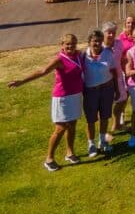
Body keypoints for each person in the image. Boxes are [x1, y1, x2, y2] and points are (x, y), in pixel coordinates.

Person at [8, 33, 86, 170]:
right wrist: (22, 82)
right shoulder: (59, 60)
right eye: (67, 44)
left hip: (75, 96)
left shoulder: (78, 55)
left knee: (72, 125)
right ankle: (49, 159)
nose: (70, 46)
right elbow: (42, 71)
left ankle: (70, 152)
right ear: (62, 45)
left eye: (73, 43)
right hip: (62, 98)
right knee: (61, 128)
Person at [81, 30, 118, 156]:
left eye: (99, 41)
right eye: (94, 41)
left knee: (105, 117)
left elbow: (114, 72)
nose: (97, 43)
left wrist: (117, 89)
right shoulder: (82, 56)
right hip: (90, 90)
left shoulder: (108, 53)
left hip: (107, 88)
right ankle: (91, 144)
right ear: (89, 42)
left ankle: (102, 142)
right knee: (90, 119)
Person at [100, 21, 128, 139]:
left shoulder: (118, 43)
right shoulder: (99, 47)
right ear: (103, 33)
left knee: (122, 100)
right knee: (105, 107)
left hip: (119, 77)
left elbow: (121, 58)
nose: (111, 35)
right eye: (108, 33)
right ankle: (105, 133)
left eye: (113, 32)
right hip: (105, 80)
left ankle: (116, 125)